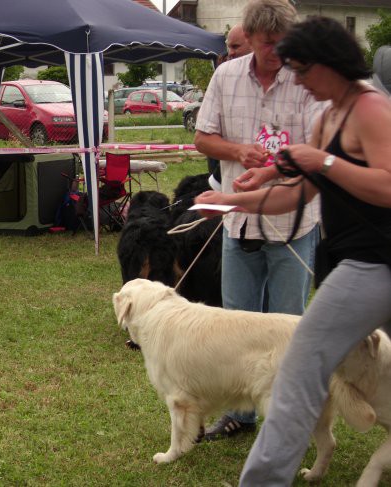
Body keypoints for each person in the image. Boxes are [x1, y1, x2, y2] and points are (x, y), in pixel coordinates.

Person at [195, 16, 391, 485]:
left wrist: (322, 160)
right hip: (352, 262)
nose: (296, 79)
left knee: (299, 368)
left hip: (374, 263)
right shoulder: (329, 117)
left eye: (302, 69)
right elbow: (294, 195)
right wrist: (229, 201)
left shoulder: (371, 109)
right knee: (301, 368)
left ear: (328, 64)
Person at [194, 0, 325, 441]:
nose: (278, 52)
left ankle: (286, 422)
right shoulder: (225, 76)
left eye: (285, 43)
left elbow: (316, 152)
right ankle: (240, 415)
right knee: (238, 325)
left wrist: (271, 169)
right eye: (269, 44)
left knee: (288, 327)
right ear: (247, 38)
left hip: (295, 222)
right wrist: (238, 152)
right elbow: (201, 138)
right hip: (239, 224)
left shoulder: (308, 80)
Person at [207, 24, 252, 191]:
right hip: (226, 178)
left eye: (236, 46)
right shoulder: (222, 78)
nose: (230, 52)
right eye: (228, 46)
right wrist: (239, 151)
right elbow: (203, 139)